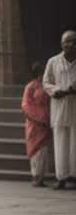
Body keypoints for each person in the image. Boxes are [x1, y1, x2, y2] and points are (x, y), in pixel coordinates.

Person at [42, 31, 76, 189]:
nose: (69, 45)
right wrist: (58, 90)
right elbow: (46, 82)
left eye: (73, 42)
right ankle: (61, 177)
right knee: (61, 142)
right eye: (66, 42)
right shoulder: (53, 61)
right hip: (60, 106)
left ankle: (74, 176)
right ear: (61, 44)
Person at [23, 61, 55, 187]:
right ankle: (35, 176)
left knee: (43, 149)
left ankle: (41, 177)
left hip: (46, 121)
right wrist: (38, 118)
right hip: (34, 122)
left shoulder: (47, 86)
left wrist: (47, 118)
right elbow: (26, 105)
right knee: (35, 149)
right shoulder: (30, 87)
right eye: (39, 73)